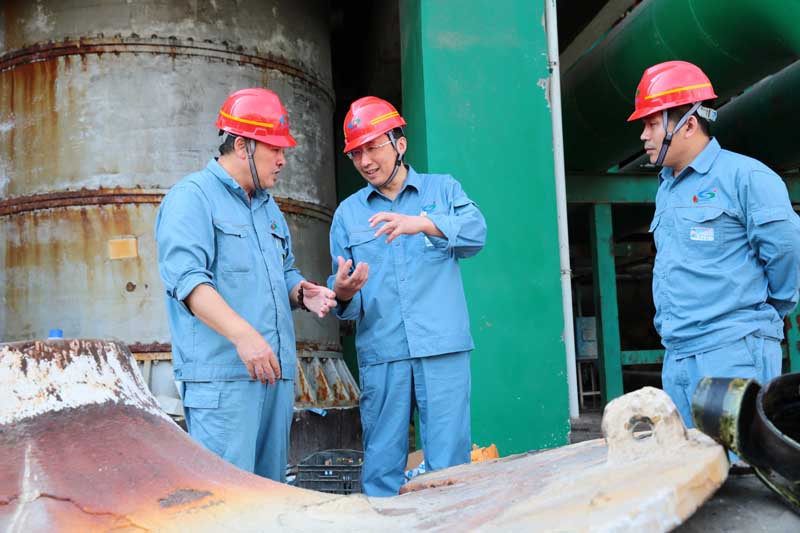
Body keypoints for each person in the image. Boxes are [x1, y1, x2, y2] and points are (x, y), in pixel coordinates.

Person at [155, 88, 337, 481]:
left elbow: (284, 271)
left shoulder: (268, 208)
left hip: (273, 377)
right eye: (275, 149)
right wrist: (244, 336)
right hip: (225, 382)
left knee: (269, 495)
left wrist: (302, 293)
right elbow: (188, 282)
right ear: (242, 146)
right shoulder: (192, 199)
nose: (283, 160)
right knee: (229, 498)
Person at [328, 96, 487, 496]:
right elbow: (347, 301)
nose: (365, 161)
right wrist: (342, 293)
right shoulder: (348, 214)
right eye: (356, 153)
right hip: (383, 354)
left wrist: (423, 223)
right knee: (381, 466)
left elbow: (476, 234)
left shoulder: (443, 189)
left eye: (372, 147)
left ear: (400, 144)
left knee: (450, 467)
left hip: (441, 349)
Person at [628, 60, 800, 430]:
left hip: (732, 353)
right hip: (678, 355)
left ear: (689, 124)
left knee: (738, 460)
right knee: (690, 461)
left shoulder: (747, 178)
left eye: (652, 123)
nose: (643, 135)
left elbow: (788, 251)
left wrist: (770, 309)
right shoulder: (668, 188)